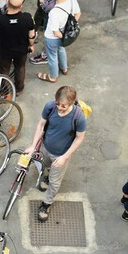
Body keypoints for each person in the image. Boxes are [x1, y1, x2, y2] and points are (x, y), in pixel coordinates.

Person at [26, 86, 87, 222]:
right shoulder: (50, 107)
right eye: (58, 104)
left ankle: (46, 204)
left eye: (64, 106)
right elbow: (41, 125)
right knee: (42, 165)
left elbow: (79, 138)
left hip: (61, 155)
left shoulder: (79, 117)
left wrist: (65, 157)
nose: (59, 107)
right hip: (46, 148)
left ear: (72, 103)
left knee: (55, 183)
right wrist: (32, 146)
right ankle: (47, 177)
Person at [38, 0, 81, 82]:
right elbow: (78, 13)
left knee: (52, 57)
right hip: (65, 32)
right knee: (61, 49)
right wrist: (68, 32)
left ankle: (53, 76)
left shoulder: (54, 12)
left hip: (52, 38)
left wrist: (63, 36)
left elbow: (55, 32)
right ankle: (64, 68)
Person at [0, 0, 35, 94]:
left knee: (4, 70)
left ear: (7, 3)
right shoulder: (27, 18)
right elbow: (31, 35)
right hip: (21, 50)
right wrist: (31, 45)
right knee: (20, 67)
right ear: (21, 6)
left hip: (4, 50)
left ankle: (3, 91)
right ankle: (19, 88)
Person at [30, 0, 64, 65]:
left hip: (52, 12)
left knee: (49, 34)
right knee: (36, 20)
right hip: (43, 7)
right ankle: (32, 36)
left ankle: (46, 55)